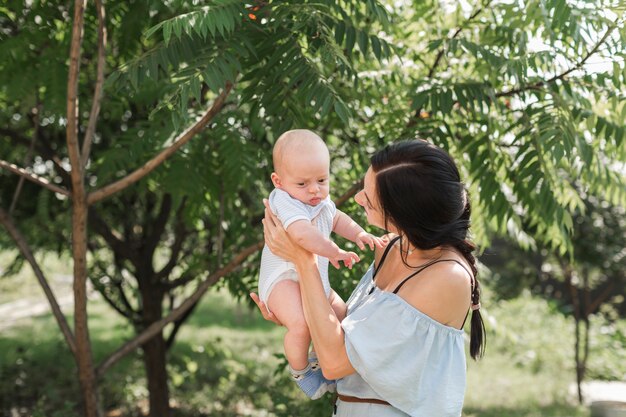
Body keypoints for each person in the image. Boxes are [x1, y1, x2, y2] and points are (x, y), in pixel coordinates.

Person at [251, 139, 486, 417]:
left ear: (402, 213)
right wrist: (295, 313)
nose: (357, 199)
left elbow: (335, 362)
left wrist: (304, 260)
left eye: (370, 199)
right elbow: (346, 336)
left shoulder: (447, 276)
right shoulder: (390, 249)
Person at [258, 129, 385, 400]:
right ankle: (302, 372)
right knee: (302, 325)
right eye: (303, 184)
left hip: (312, 276)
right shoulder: (284, 200)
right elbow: (302, 234)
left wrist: (359, 234)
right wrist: (335, 251)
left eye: (322, 180)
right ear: (278, 181)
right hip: (283, 279)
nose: (314, 189)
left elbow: (336, 217)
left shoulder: (316, 198)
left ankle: (323, 358)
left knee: (342, 314)